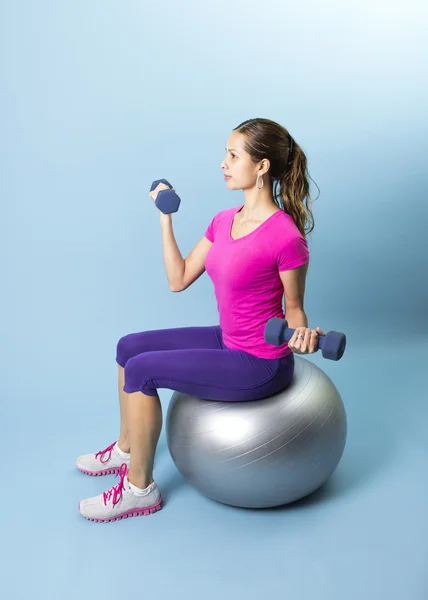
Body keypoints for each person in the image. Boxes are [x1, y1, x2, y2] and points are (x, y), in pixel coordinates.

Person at [76, 117, 326, 523]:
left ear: (261, 166)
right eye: (225, 154)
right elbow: (178, 280)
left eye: (233, 155)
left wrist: (302, 335)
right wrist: (165, 218)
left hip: (260, 361)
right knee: (128, 347)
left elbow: (294, 308)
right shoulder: (223, 220)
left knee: (142, 370)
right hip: (227, 338)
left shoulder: (286, 237)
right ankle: (126, 449)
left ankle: (140, 489)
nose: (223, 163)